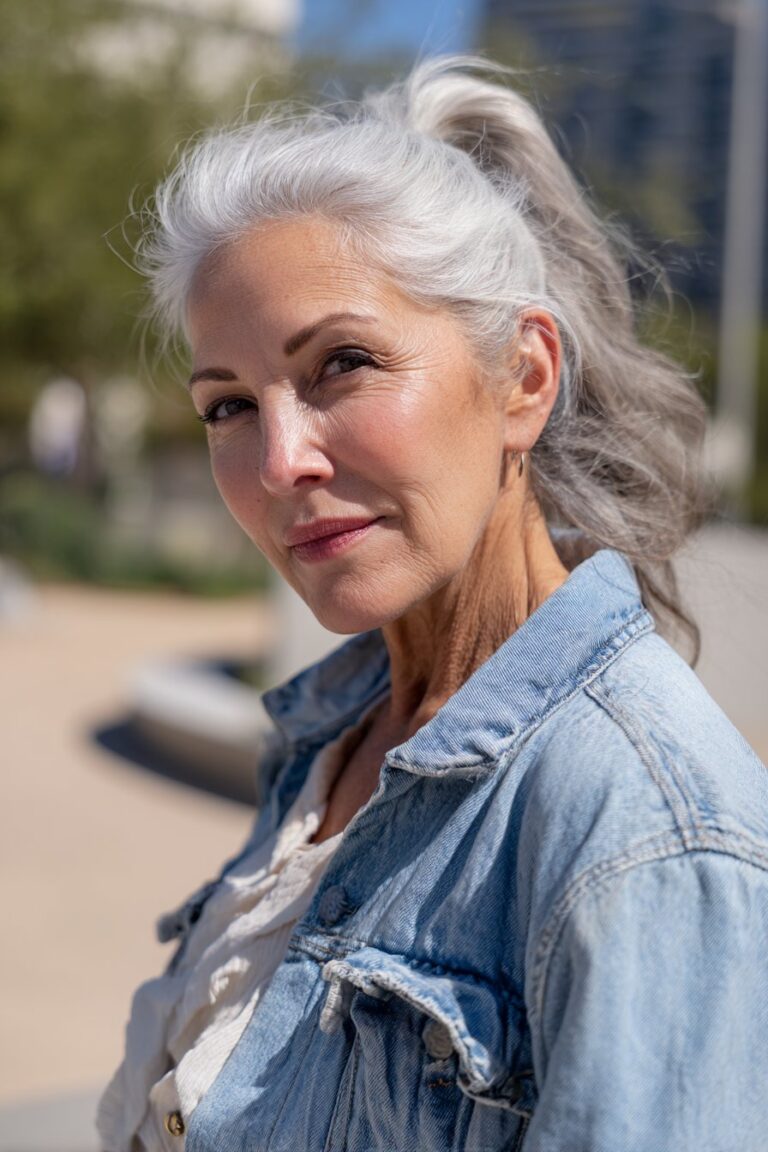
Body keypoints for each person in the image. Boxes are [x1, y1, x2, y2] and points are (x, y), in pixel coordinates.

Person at [97, 55, 768, 1152]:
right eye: (227, 404)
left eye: (343, 364)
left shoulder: (648, 836)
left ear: (525, 378)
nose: (277, 462)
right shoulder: (339, 731)